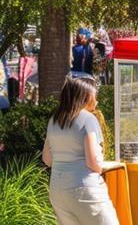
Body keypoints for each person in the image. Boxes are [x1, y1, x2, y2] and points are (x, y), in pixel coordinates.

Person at [42, 76, 119, 225]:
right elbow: (93, 162)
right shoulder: (88, 119)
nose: (96, 100)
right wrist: (108, 165)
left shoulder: (54, 120)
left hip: (58, 189)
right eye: (94, 95)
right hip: (84, 189)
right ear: (86, 96)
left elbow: (47, 159)